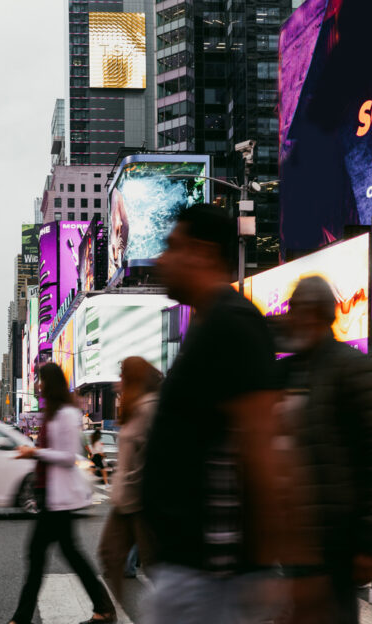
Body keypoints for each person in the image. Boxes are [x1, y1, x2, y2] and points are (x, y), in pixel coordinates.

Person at [141, 203, 288, 623]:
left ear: (202, 253)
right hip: (195, 575)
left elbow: (261, 452)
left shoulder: (233, 324)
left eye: (172, 247)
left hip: (216, 579)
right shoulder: (209, 325)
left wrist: (262, 572)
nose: (160, 259)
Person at [278, 275, 372, 621]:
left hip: (336, 541)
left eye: (299, 310)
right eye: (291, 309)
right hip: (293, 541)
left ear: (320, 314)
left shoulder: (354, 369)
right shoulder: (287, 372)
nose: (292, 317)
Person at [9, 362, 115, 624]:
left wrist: (34, 452)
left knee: (39, 557)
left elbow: (69, 457)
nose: (37, 385)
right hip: (50, 495)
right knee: (66, 554)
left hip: (59, 498)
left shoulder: (67, 414)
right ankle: (104, 608)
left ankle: (21, 619)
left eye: (41, 380)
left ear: (51, 383)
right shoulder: (55, 413)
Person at [98, 356, 160, 600]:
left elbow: (153, 456)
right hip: (127, 500)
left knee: (155, 565)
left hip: (141, 501)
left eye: (122, 375)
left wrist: (131, 484)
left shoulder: (149, 408)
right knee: (110, 554)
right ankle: (109, 610)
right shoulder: (137, 408)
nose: (118, 381)